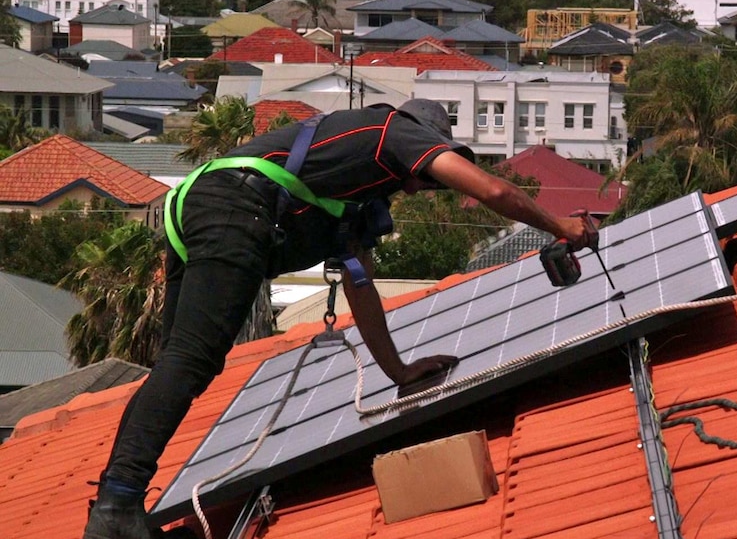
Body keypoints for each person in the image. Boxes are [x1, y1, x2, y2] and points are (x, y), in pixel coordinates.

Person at [82, 99, 592, 539]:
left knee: (182, 364)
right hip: (237, 206)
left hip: (196, 206)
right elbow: (496, 192)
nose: (418, 189)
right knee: (192, 360)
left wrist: (398, 371)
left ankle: (117, 499)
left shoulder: (354, 189)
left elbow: (361, 286)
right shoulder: (395, 132)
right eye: (424, 175)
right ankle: (116, 509)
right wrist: (560, 225)